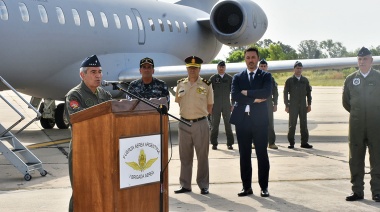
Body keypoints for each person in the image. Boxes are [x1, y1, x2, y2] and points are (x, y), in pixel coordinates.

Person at [65, 55, 112, 212]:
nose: (98, 75)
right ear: (82, 75)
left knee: (101, 190)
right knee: (80, 192)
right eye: (93, 72)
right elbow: (78, 120)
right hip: (82, 152)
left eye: (99, 71)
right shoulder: (75, 95)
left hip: (102, 150)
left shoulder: (105, 95)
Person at [229, 47, 272, 197]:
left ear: (258, 58)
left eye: (253, 57)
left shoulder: (265, 76)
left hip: (260, 122)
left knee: (262, 154)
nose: (250, 60)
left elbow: (266, 92)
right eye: (248, 57)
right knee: (244, 155)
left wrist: (246, 93)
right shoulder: (238, 77)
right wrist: (254, 99)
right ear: (245, 59)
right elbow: (235, 95)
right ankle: (246, 187)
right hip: (242, 122)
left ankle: (264, 187)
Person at [342, 47, 380, 202]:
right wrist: (358, 113)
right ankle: (357, 191)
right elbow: (346, 102)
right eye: (360, 59)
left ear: (371, 61)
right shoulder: (350, 79)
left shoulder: (378, 78)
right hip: (356, 125)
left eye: (365, 59)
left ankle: (377, 191)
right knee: (355, 158)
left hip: (376, 125)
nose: (362, 62)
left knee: (377, 158)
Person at [174, 56, 213, 195]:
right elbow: (179, 101)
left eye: (195, 68)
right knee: (185, 156)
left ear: (199, 69)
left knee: (202, 156)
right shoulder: (181, 84)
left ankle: (203, 185)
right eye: (190, 67)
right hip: (184, 123)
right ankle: (185, 185)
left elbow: (210, 106)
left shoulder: (206, 85)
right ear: (186, 69)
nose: (192, 70)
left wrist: (198, 116)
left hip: (200, 123)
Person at [283, 61, 313, 149]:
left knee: (304, 124)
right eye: (297, 68)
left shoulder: (305, 80)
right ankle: (291, 143)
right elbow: (285, 94)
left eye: (300, 68)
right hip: (293, 105)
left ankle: (304, 142)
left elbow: (308, 93)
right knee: (292, 124)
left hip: (303, 105)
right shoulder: (289, 81)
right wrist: (286, 105)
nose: (299, 70)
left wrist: (309, 104)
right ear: (294, 69)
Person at [252, 59, 279, 150]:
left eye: (264, 66)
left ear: (267, 67)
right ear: (259, 67)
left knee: (269, 123)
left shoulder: (270, 78)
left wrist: (275, 104)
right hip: (257, 103)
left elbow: (275, 92)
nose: (263, 68)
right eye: (261, 66)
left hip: (268, 103)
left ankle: (271, 143)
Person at [209, 61, 234, 150]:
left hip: (227, 104)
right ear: (217, 67)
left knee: (228, 124)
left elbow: (233, 92)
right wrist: (210, 106)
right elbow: (209, 93)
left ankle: (230, 143)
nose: (221, 68)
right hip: (216, 105)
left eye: (223, 67)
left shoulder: (230, 78)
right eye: (220, 67)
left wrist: (233, 104)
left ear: (225, 68)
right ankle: (214, 143)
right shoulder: (213, 78)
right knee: (215, 125)